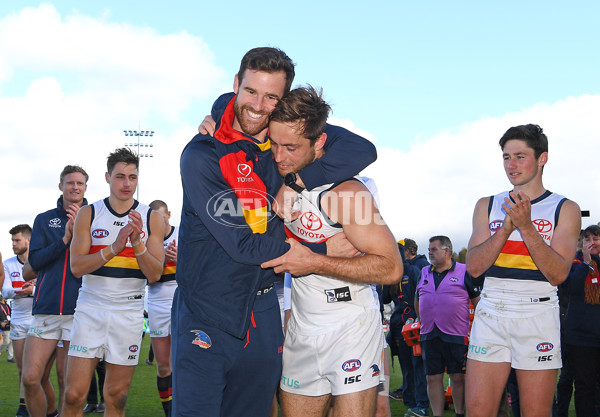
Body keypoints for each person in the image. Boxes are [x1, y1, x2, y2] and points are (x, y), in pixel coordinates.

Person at [175, 47, 377, 417]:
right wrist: (317, 249)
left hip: (265, 309)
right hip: (207, 310)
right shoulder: (202, 153)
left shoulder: (279, 140)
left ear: (282, 102)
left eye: (271, 97)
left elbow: (361, 148)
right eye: (250, 91)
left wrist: (298, 181)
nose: (258, 105)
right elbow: (242, 244)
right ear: (236, 85)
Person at [259, 85, 403, 417]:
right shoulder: (281, 172)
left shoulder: (349, 193)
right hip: (302, 324)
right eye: (274, 144)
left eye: (291, 147)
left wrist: (315, 260)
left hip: (350, 324)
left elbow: (391, 268)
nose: (279, 157)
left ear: (319, 142)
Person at [465, 124, 581, 417]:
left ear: (542, 158)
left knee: (535, 412)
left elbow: (558, 274)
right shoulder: (487, 204)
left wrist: (526, 226)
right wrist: (505, 227)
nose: (511, 165)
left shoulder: (564, 208)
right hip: (491, 310)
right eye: (506, 157)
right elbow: (475, 268)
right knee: (478, 410)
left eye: (520, 156)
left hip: (537, 312)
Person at [62, 148, 165, 417]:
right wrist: (114, 248)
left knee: (116, 397)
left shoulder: (153, 218)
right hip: (91, 307)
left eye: (132, 177)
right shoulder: (89, 213)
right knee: (74, 396)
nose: (126, 183)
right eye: (120, 176)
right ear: (108, 177)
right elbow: (76, 267)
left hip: (128, 311)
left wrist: (137, 243)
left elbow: (154, 274)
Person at [22, 165, 89, 417]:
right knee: (30, 379)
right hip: (46, 310)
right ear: (61, 186)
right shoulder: (44, 219)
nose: (75, 187)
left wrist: (81, 230)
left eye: (80, 183)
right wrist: (65, 239)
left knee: (67, 382)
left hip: (80, 311)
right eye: (70, 183)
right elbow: (35, 262)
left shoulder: (95, 217)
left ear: (85, 188)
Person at [414, 235, 480, 417]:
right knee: (432, 377)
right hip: (429, 334)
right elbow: (418, 299)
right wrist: (425, 319)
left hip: (456, 334)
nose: (430, 253)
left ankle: (460, 413)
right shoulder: (424, 272)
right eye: (428, 250)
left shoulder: (464, 271)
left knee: (458, 377)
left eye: (433, 249)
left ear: (446, 251)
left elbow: (478, 302)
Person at [385, 243, 429, 417]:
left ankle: (421, 403)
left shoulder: (413, 271)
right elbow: (385, 298)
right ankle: (411, 402)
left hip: (414, 324)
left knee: (417, 365)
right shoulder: (392, 273)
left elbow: (422, 295)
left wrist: (418, 318)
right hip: (398, 325)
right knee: (406, 367)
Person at [561, 224, 600, 416]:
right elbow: (572, 288)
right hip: (580, 338)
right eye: (587, 239)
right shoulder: (574, 263)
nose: (592, 243)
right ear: (582, 243)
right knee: (584, 386)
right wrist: (587, 262)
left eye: (596, 239)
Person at [146, 199, 178, 417]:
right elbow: (146, 278)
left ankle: (182, 409)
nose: (158, 220)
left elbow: (200, 269)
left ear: (168, 214)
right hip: (156, 303)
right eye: (153, 217)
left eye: (161, 215)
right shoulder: (147, 241)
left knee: (183, 363)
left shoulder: (183, 234)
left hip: (181, 299)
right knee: (163, 366)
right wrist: (159, 260)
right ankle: (169, 412)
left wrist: (181, 259)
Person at [2, 224, 36, 417]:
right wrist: (22, 291)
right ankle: (24, 406)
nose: (13, 244)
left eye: (17, 240)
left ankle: (46, 406)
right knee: (22, 368)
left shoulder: (40, 262)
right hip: (18, 320)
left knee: (40, 371)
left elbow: (47, 290)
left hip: (40, 320)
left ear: (28, 240)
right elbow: (5, 291)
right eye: (12, 241)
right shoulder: (8, 264)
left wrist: (31, 291)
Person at [1, 292, 15, 362]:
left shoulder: (7, 306)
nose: (7, 298)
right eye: (5, 297)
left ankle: (10, 358)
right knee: (6, 341)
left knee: (11, 341)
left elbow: (11, 314)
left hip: (10, 324)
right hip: (4, 326)